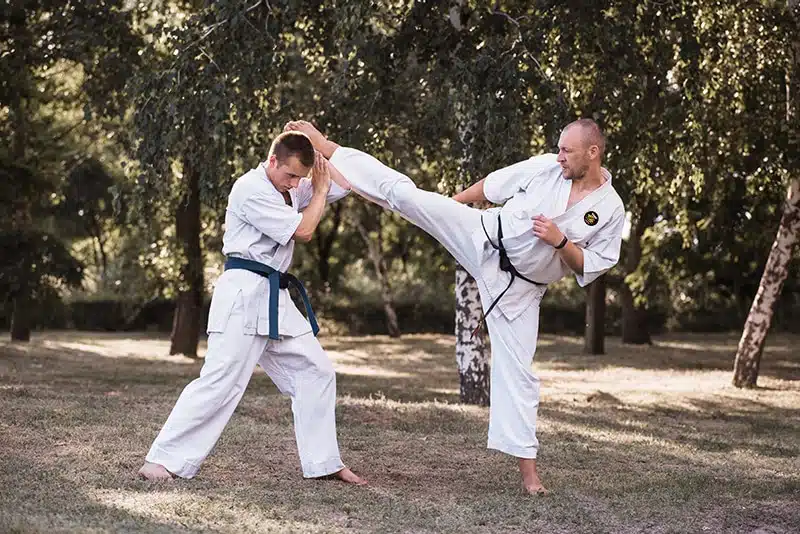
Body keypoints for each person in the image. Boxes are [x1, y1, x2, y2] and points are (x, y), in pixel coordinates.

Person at [284, 118, 625, 494]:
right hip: (483, 235)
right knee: (407, 197)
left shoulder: (610, 209)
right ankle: (327, 147)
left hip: (520, 290)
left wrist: (561, 242)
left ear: (593, 153)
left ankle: (530, 477)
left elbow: (590, 266)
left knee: (519, 375)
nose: (559, 156)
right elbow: (492, 186)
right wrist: (446, 208)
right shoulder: (546, 167)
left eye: (567, 151)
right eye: (559, 148)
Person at [138, 131, 365, 486]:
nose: (296, 183)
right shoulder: (250, 188)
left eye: (301, 178)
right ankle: (161, 461)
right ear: (272, 160)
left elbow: (345, 184)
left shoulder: (291, 188)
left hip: (275, 297)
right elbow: (304, 231)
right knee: (221, 381)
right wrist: (318, 191)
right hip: (243, 293)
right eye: (291, 175)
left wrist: (317, 145)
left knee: (316, 371)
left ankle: (322, 462)